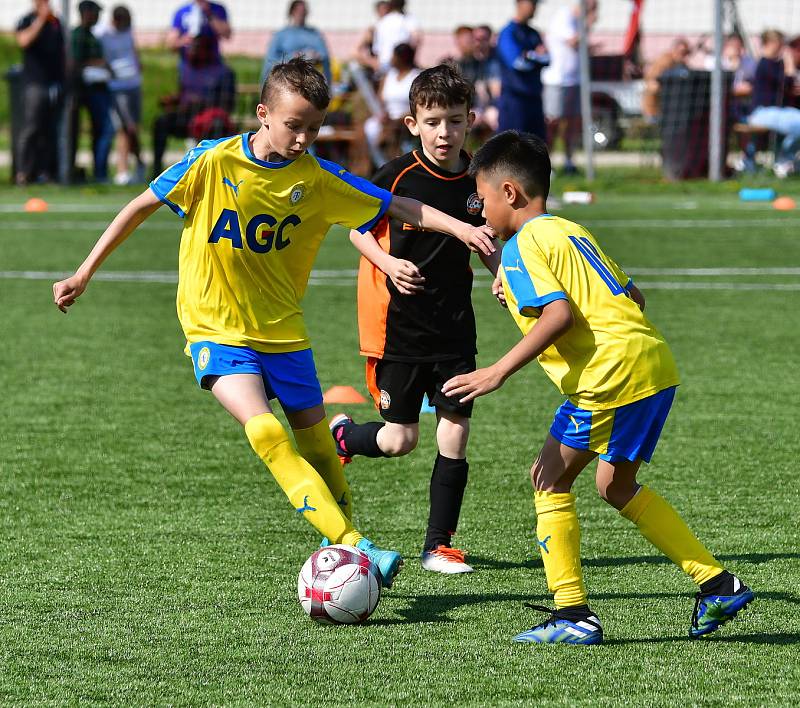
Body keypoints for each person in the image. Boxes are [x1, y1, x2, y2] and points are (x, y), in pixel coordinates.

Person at [52, 57, 495, 592]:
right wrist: (83, 272)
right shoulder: (212, 163)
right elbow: (139, 206)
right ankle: (355, 545)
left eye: (313, 128)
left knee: (317, 450)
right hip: (215, 329)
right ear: (263, 114)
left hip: (285, 335)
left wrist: (464, 232)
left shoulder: (319, 178)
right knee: (264, 430)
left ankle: (349, 545)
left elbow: (401, 206)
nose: (304, 138)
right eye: (294, 125)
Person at [441, 131, 754, 644]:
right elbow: (635, 296)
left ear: (510, 194)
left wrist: (496, 371)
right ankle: (718, 584)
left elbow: (558, 314)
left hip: (608, 378)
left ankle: (572, 614)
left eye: (484, 197)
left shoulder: (522, 244)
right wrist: (512, 281)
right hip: (652, 366)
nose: (481, 211)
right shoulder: (569, 230)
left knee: (548, 478)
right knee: (615, 485)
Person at [330, 64, 501, 574]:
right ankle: (344, 436)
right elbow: (356, 229)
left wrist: (500, 274)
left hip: (453, 327)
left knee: (455, 431)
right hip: (398, 330)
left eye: (452, 121)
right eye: (432, 122)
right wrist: (388, 263)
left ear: (469, 120)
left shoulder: (478, 179)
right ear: (412, 125)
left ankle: (438, 544)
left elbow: (485, 236)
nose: (443, 133)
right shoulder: (398, 176)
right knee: (399, 439)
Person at [151, 35, 236, 178]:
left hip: (210, 117)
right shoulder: (188, 69)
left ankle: (211, 173)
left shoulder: (223, 72)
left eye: (196, 48)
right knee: (161, 122)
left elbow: (227, 103)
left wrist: (200, 103)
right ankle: (156, 172)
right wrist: (174, 99)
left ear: (206, 50)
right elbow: (184, 94)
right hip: (188, 116)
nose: (192, 51)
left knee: (216, 126)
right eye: (191, 48)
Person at [541, 0, 598, 175]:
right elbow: (573, 41)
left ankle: (569, 162)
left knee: (573, 123)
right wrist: (588, 23)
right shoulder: (564, 16)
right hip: (558, 81)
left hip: (575, 81)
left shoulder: (578, 21)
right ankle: (544, 163)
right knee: (553, 123)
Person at [14, 0, 65, 185]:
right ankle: (23, 172)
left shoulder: (56, 22)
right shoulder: (27, 20)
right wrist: (41, 20)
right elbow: (24, 41)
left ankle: (47, 172)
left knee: (51, 131)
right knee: (31, 129)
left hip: (55, 84)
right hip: (35, 84)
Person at [98, 5, 145, 185]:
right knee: (125, 127)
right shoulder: (104, 34)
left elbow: (133, 51)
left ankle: (139, 164)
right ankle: (123, 169)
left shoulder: (128, 32)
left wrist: (138, 65)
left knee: (133, 128)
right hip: (117, 86)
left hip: (134, 83)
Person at [70, 0, 115, 183]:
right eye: (95, 12)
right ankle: (98, 173)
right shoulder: (77, 35)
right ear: (86, 13)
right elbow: (75, 62)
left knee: (102, 131)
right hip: (87, 89)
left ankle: (99, 171)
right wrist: (100, 63)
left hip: (100, 89)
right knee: (105, 129)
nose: (98, 16)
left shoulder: (92, 34)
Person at [747, 30, 800, 178]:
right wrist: (790, 66)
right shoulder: (764, 63)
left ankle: (784, 158)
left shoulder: (776, 64)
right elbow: (786, 82)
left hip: (777, 112)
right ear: (770, 43)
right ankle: (784, 159)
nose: (783, 47)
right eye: (780, 43)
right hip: (761, 113)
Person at [495, 0, 550, 140]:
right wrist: (536, 56)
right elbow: (518, 63)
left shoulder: (534, 33)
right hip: (514, 100)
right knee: (512, 147)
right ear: (520, 3)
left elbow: (548, 59)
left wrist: (529, 56)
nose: (535, 8)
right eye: (532, 3)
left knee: (537, 146)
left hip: (534, 98)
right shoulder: (508, 33)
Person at [363, 42, 420, 168]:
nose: (391, 59)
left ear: (402, 58)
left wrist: (397, 119)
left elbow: (419, 105)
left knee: (390, 130)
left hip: (405, 119)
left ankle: (391, 163)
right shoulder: (389, 76)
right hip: (386, 118)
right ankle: (379, 164)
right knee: (370, 127)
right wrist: (382, 114)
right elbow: (379, 99)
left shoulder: (416, 77)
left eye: (393, 56)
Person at [261, 0, 331, 85]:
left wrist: (316, 57)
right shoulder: (281, 35)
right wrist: (291, 58)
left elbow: (325, 56)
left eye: (303, 11)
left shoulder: (315, 35)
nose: (301, 14)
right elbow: (270, 61)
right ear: (291, 12)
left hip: (311, 82)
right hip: (287, 82)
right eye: (298, 11)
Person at [167, 0, 231, 75]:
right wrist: (183, 41)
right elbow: (171, 44)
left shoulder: (217, 9)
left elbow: (227, 34)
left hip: (212, 64)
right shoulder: (182, 11)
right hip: (188, 66)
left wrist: (209, 13)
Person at [641, 37, 691, 120]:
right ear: (674, 50)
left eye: (686, 53)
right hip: (655, 109)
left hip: (669, 110)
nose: (684, 56)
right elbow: (652, 82)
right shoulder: (665, 60)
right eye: (682, 52)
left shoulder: (681, 65)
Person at [372, 0, 422, 74]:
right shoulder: (408, 18)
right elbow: (416, 39)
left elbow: (377, 49)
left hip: (384, 62)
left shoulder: (383, 21)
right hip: (401, 62)